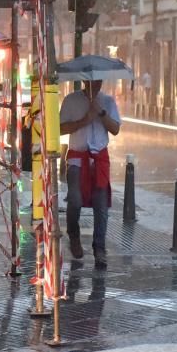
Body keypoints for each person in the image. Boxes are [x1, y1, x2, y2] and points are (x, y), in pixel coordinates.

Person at [60, 79, 121, 268]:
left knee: (101, 206)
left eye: (99, 81)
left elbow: (115, 129)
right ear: (85, 81)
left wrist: (100, 112)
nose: (96, 84)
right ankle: (73, 234)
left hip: (99, 160)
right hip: (77, 160)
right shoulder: (71, 100)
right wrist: (85, 120)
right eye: (92, 80)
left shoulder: (108, 101)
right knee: (75, 199)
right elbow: (61, 128)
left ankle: (99, 247)